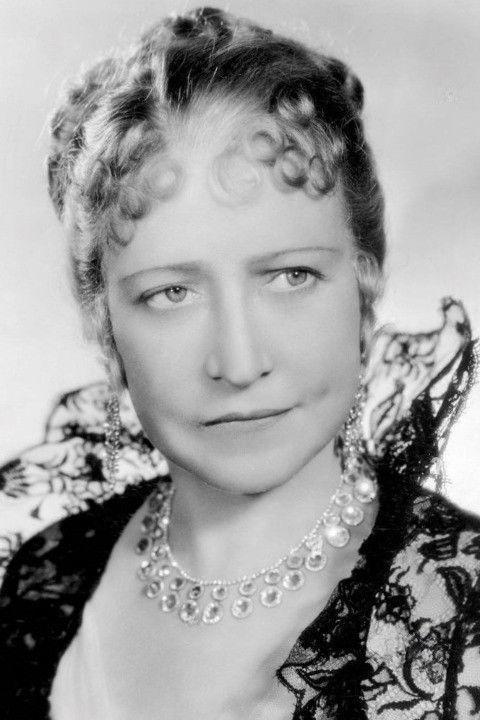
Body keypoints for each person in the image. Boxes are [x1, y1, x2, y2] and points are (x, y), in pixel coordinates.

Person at [0, 6, 479, 719]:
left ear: (364, 286)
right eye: (171, 293)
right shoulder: (46, 578)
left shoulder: (461, 621)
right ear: (106, 326)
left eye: (290, 276)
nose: (239, 361)